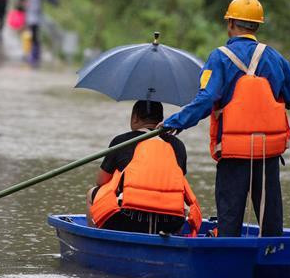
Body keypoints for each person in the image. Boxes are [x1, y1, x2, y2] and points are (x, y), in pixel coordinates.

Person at [159, 0, 290, 237]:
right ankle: (272, 256)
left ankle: (228, 255)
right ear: (257, 25)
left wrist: (175, 122)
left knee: (229, 222)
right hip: (267, 154)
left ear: (230, 23)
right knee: (271, 225)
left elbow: (206, 100)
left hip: (233, 154)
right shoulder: (274, 57)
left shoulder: (219, 57)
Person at [87, 100, 203, 236]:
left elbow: (101, 181)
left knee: (91, 193)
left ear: (135, 118)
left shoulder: (121, 141)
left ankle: (96, 239)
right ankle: (170, 241)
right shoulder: (178, 145)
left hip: (127, 218)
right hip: (170, 221)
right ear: (161, 120)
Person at [24, 0, 42, 66]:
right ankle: (32, 55)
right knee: (32, 38)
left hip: (34, 21)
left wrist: (28, 5)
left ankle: (35, 56)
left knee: (34, 38)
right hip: (31, 20)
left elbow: (36, 8)